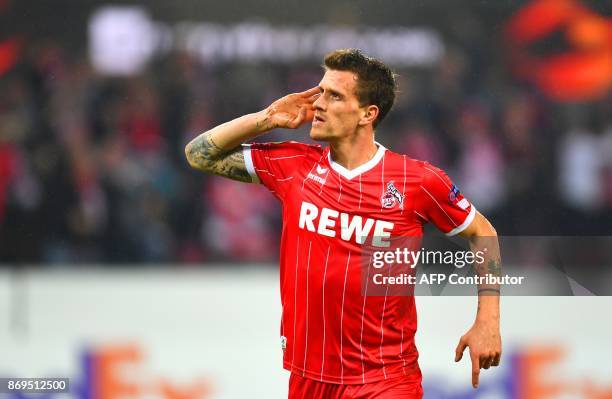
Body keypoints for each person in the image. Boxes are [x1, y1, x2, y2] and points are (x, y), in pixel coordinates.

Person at [185, 49, 502, 399]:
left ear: (368, 114)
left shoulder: (417, 181)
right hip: (309, 376)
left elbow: (482, 232)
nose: (318, 104)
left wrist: (487, 322)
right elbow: (198, 154)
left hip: (386, 378)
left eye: (334, 95)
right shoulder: (294, 165)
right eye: (320, 92)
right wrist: (267, 118)